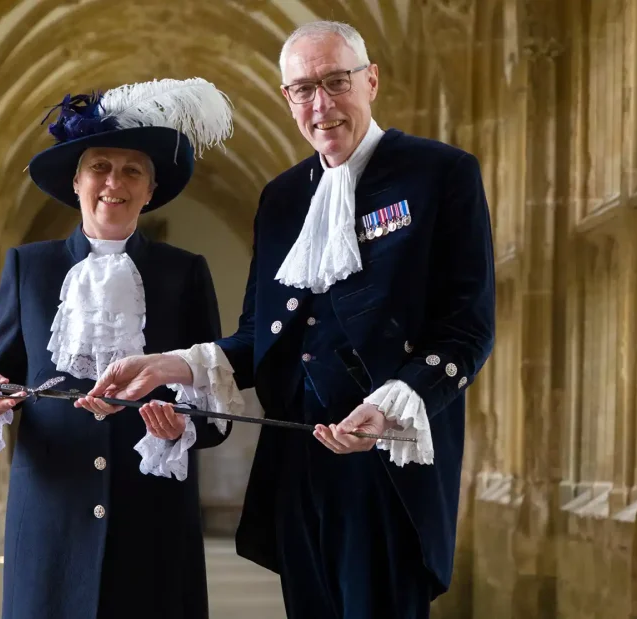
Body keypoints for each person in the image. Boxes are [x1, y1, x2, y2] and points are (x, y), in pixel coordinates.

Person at [85, 20, 496, 619]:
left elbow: (466, 326)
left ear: (371, 81)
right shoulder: (281, 197)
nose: (321, 104)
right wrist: (164, 366)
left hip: (385, 461)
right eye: (304, 89)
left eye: (336, 81)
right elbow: (260, 338)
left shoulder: (438, 173)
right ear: (287, 99)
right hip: (297, 458)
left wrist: (388, 405)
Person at [0, 77, 236, 619]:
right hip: (51, 512)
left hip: (152, 514)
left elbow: (215, 402)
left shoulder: (185, 273)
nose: (115, 182)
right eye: (101, 167)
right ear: (77, 181)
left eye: (133, 170)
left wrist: (182, 427)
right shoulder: (28, 266)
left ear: (151, 190)